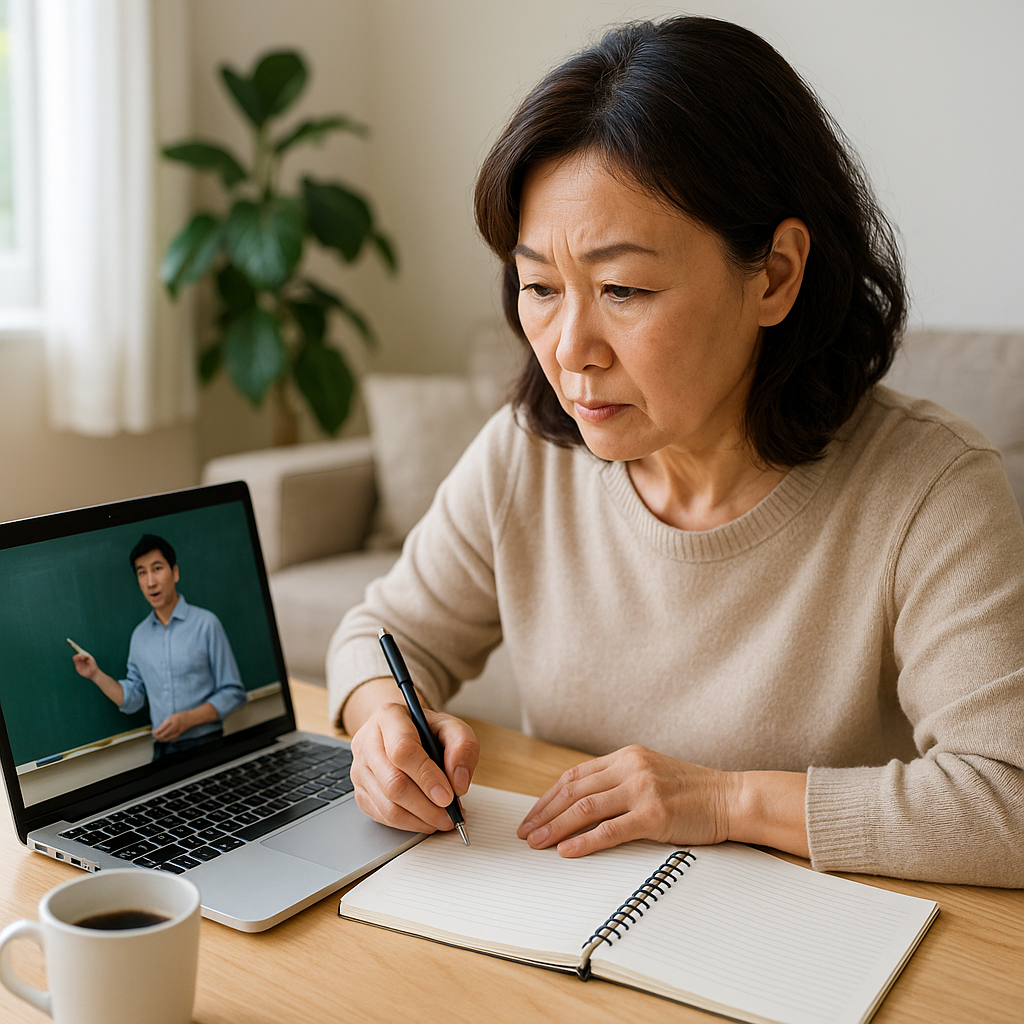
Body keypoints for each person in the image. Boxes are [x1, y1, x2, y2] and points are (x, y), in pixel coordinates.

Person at [327, 17, 1024, 887]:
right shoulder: (529, 455)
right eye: (539, 286)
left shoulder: (929, 486)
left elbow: (1007, 802)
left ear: (774, 274)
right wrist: (382, 720)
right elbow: (379, 635)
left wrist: (724, 801)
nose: (571, 347)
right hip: (565, 924)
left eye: (623, 288)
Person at [73, 534, 247, 759]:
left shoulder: (206, 624)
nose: (150, 582)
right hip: (163, 751)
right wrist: (95, 675)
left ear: (175, 573)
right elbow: (133, 698)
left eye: (157, 569)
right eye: (142, 573)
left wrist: (187, 720)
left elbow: (234, 693)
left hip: (207, 745)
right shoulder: (139, 636)